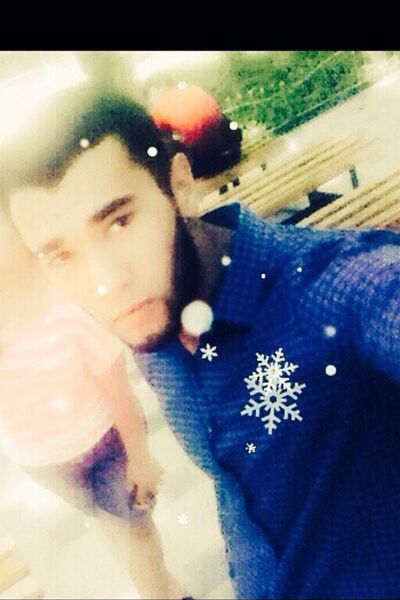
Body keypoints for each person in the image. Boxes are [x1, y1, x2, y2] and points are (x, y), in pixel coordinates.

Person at [3, 84, 400, 599]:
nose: (105, 282)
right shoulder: (152, 327)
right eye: (62, 255)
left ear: (180, 184)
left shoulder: (336, 288)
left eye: (119, 221)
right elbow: (235, 482)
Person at [0, 210, 187, 600]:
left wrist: (139, 456)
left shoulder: (66, 303)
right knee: (109, 519)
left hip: (104, 443)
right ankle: (156, 579)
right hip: (42, 462)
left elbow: (118, 390)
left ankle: (162, 592)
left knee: (133, 524)